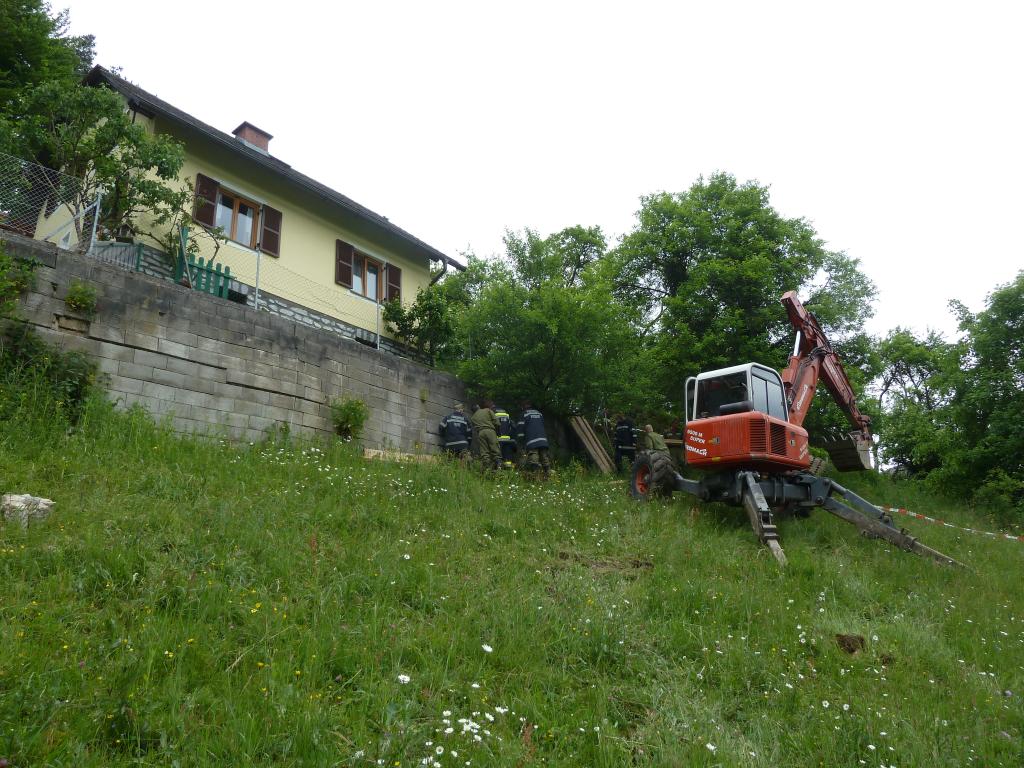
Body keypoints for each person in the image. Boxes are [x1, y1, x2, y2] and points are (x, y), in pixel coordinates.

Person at [517, 400, 551, 477]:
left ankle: (536, 476)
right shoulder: (539, 413)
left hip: (532, 441)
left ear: (524, 406)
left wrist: (521, 442)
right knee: (544, 458)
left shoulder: (524, 414)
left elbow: (520, 430)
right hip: (543, 440)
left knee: (534, 459)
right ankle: (548, 475)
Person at [471, 399, 502, 471]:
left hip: (480, 433)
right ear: (478, 407)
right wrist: (498, 432)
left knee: (484, 451)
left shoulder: (473, 418)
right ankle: (499, 465)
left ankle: (487, 468)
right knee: (495, 448)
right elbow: (497, 423)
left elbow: (475, 428)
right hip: (490, 431)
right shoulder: (487, 410)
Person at [494, 403, 516, 469]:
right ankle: (508, 469)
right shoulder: (507, 417)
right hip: (508, 440)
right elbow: (513, 427)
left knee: (498, 456)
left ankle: (499, 468)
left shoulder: (494, 416)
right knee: (507, 456)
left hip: (498, 440)